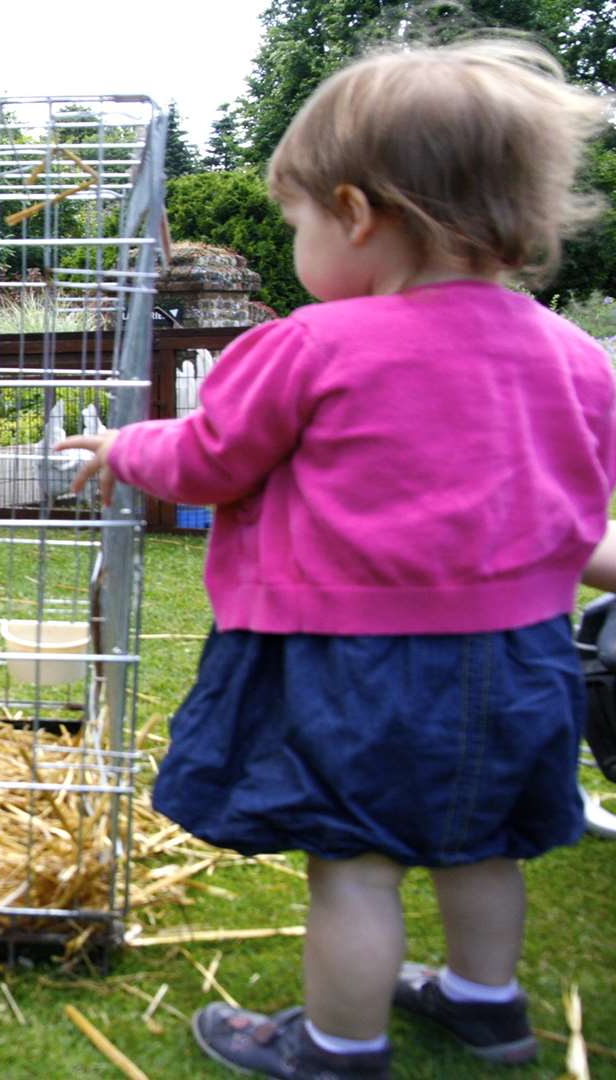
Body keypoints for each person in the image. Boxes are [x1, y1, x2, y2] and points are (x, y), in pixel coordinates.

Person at [57, 37, 614, 1080]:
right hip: (526, 657)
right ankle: (487, 1005)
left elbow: (212, 459)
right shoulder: (577, 357)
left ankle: (338, 1045)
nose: (297, 242)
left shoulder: (314, 344)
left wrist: (121, 447)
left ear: (356, 213)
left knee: (353, 862)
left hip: (357, 661)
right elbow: (572, 497)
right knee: (485, 839)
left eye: (298, 221)